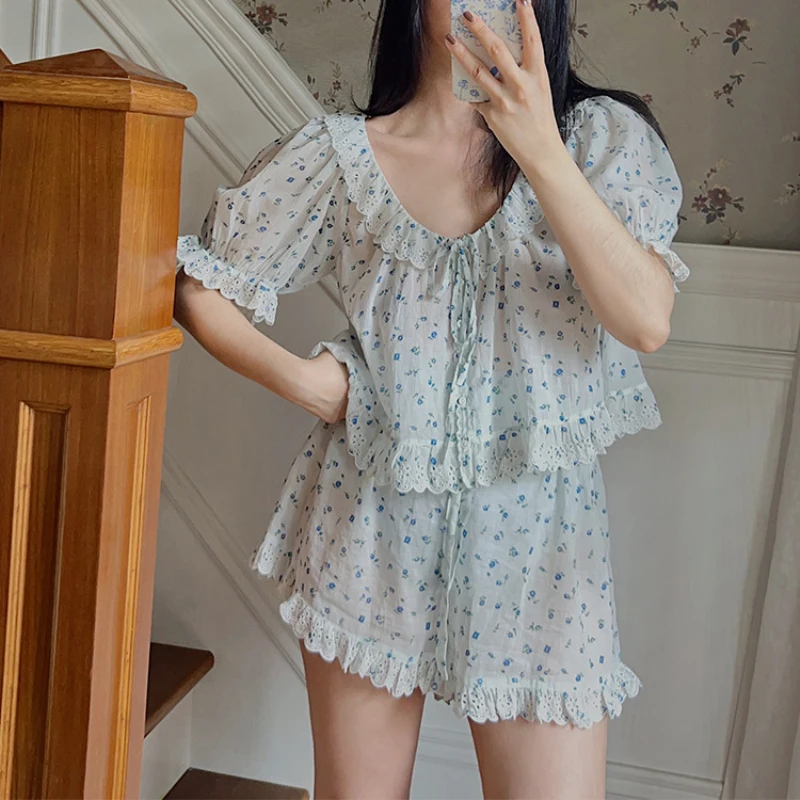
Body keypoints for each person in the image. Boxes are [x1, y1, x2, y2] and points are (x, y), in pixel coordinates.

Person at [173, 0, 690, 796]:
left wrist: (538, 148)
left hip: (542, 552)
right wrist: (312, 384)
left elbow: (646, 319)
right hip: (369, 530)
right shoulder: (342, 157)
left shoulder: (598, 140)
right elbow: (199, 285)